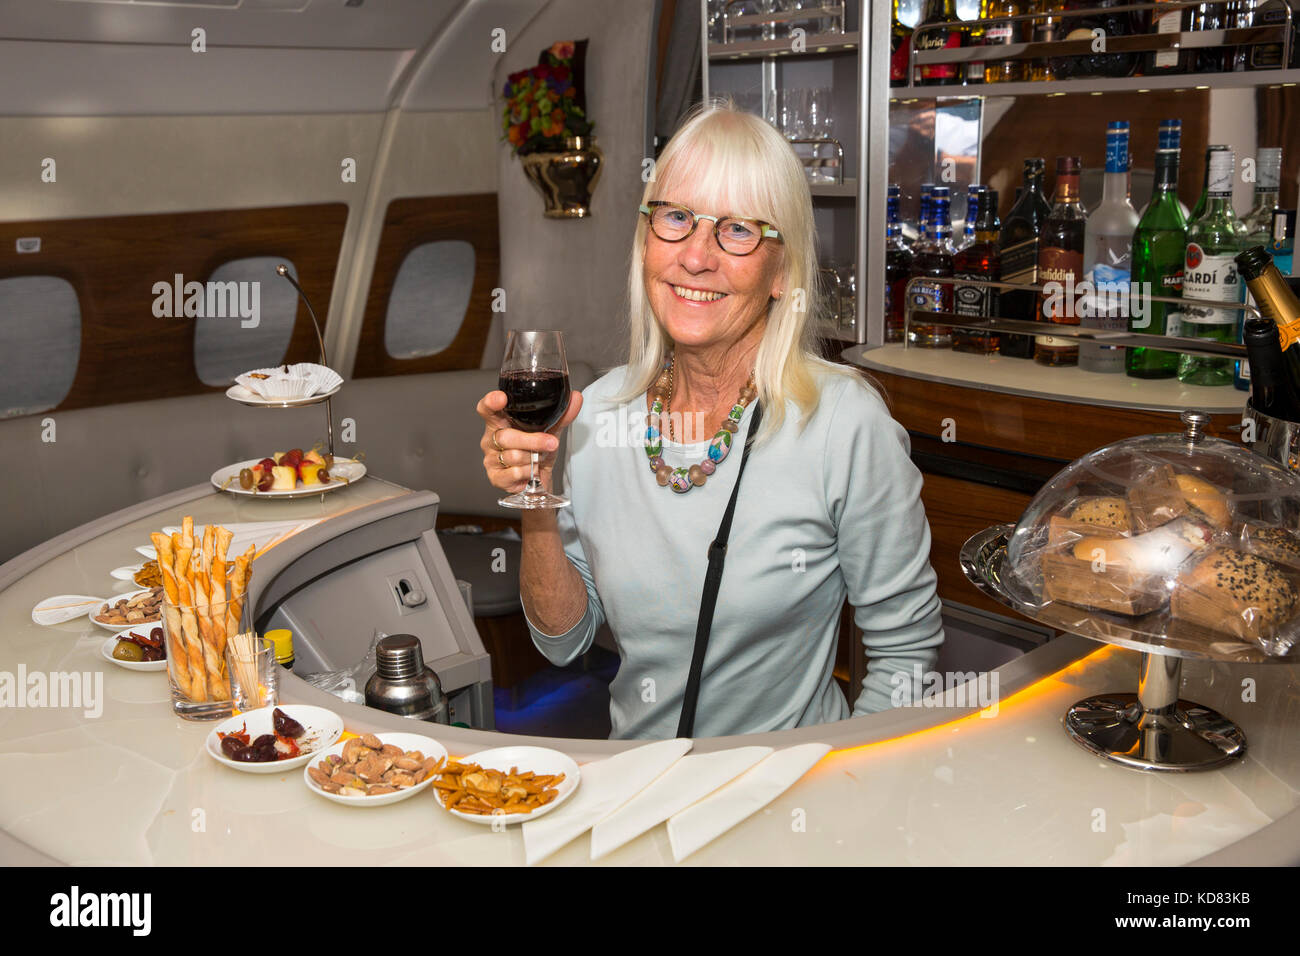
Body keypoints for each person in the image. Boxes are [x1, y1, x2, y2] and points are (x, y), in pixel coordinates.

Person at [478, 102, 944, 739]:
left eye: (738, 230)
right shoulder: (596, 415)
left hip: (789, 787)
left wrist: (840, 781)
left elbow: (906, 653)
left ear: (781, 272)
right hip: (637, 782)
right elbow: (564, 642)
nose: (696, 257)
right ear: (646, 241)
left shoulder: (843, 424)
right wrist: (535, 492)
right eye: (676, 217)